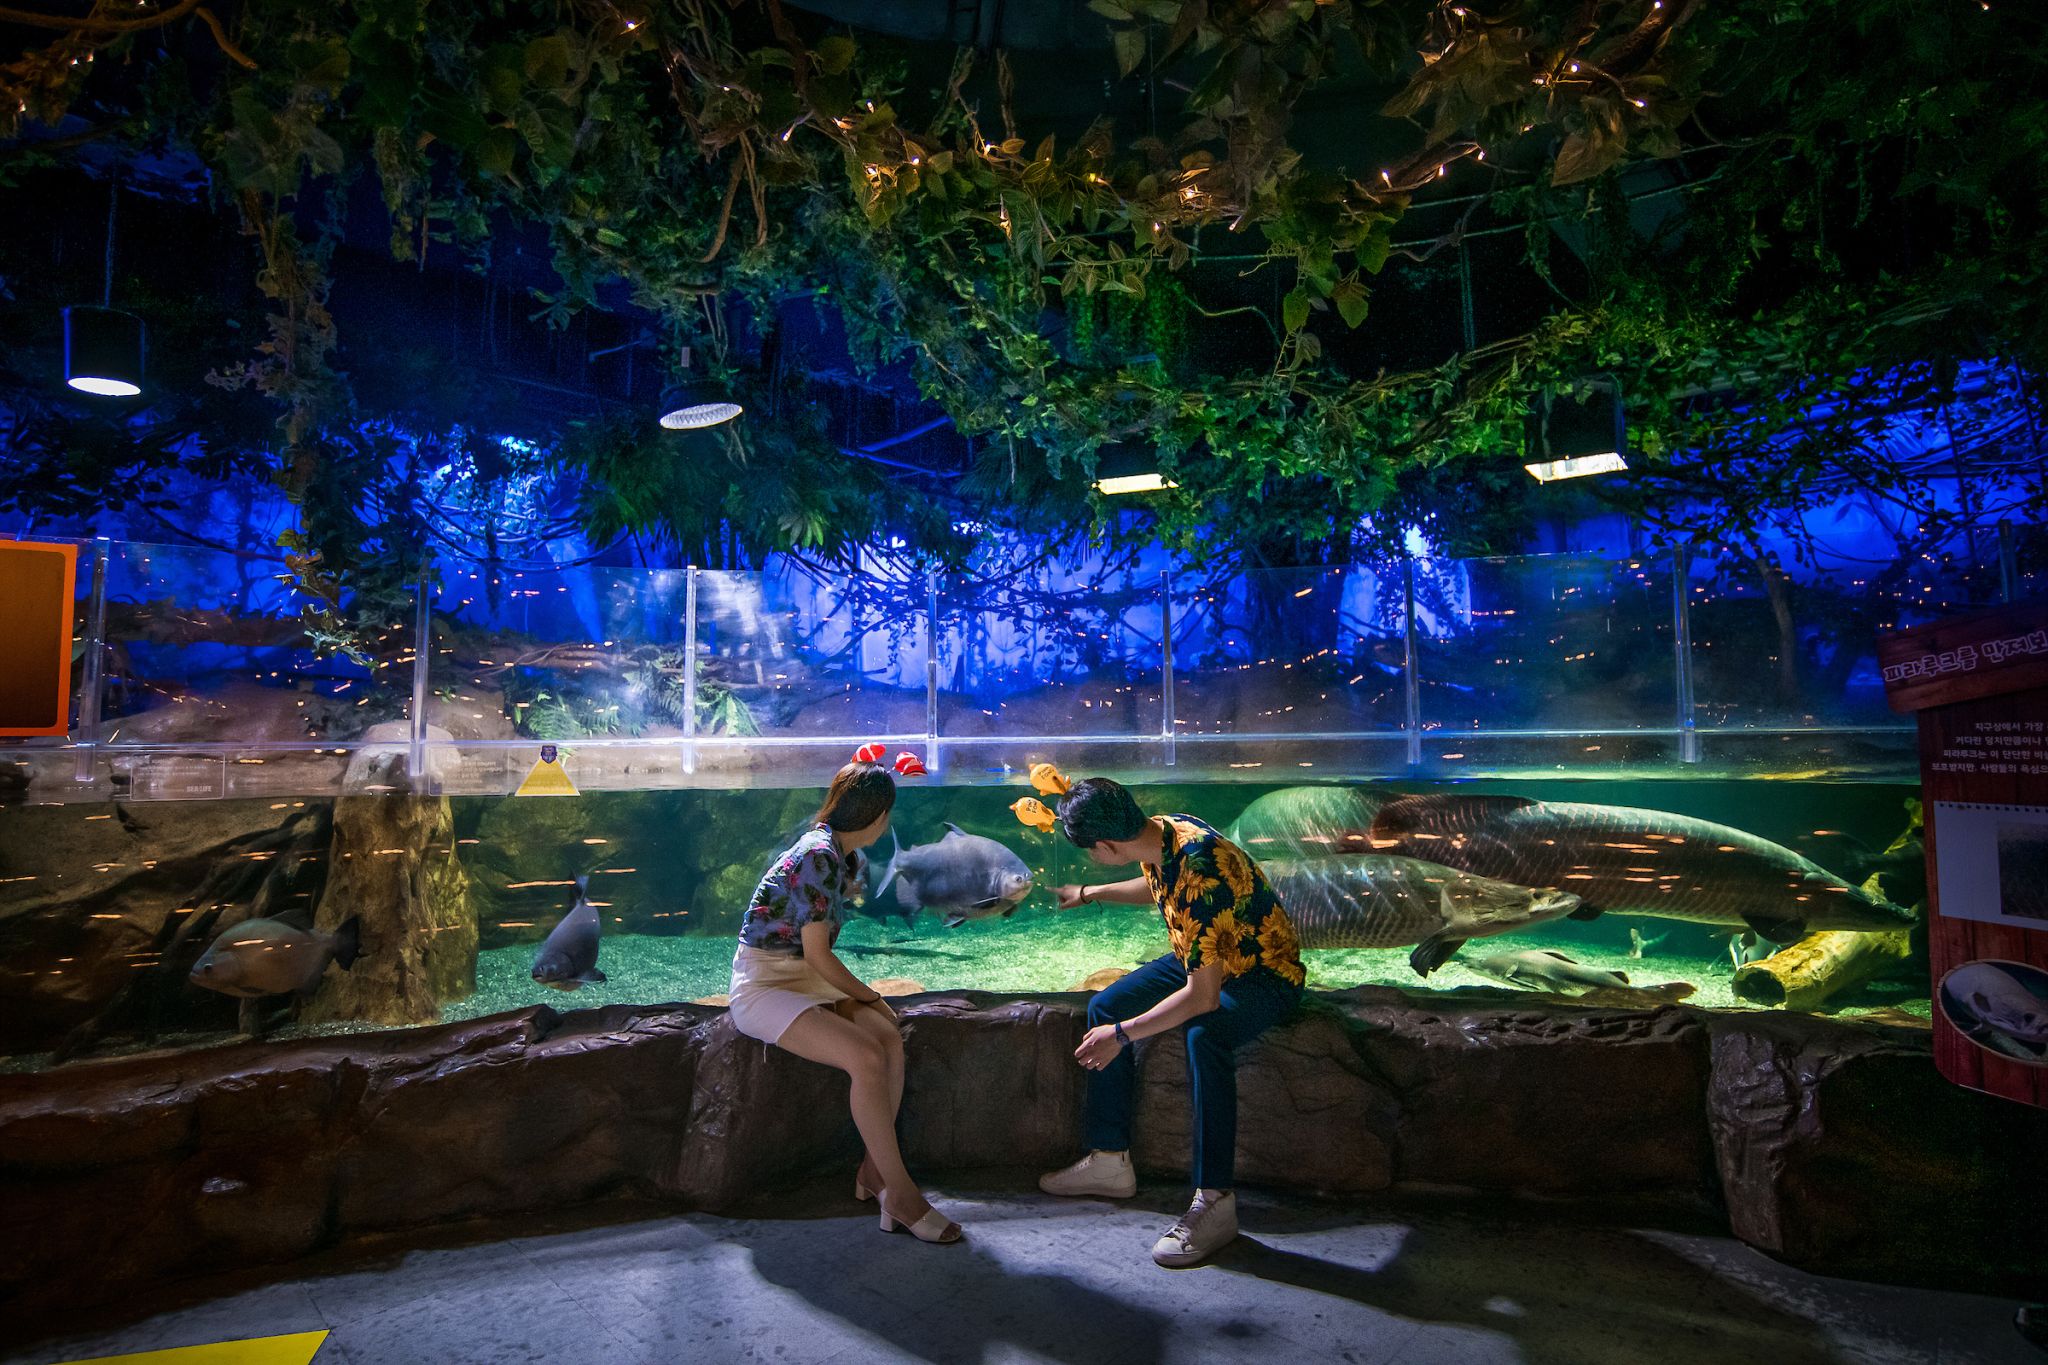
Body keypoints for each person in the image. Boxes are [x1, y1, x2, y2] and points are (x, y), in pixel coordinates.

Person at [1038, 777, 1306, 1267]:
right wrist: (1092, 892)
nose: (1092, 857)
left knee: (1205, 1034)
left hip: (1263, 972)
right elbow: (1158, 884)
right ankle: (1109, 1161)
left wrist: (1122, 1036)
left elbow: (1202, 998)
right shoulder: (1162, 832)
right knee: (1105, 1005)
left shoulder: (1200, 865)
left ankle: (1215, 1201)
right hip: (1207, 954)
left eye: (1091, 851)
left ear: (1106, 845)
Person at [726, 753, 961, 1245]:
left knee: (888, 1036)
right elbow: (818, 955)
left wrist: (872, 1007)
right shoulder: (818, 855)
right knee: (865, 1055)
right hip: (766, 985)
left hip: (804, 977)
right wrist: (871, 995)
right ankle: (902, 1194)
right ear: (878, 816)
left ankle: (874, 1173)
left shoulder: (837, 852)